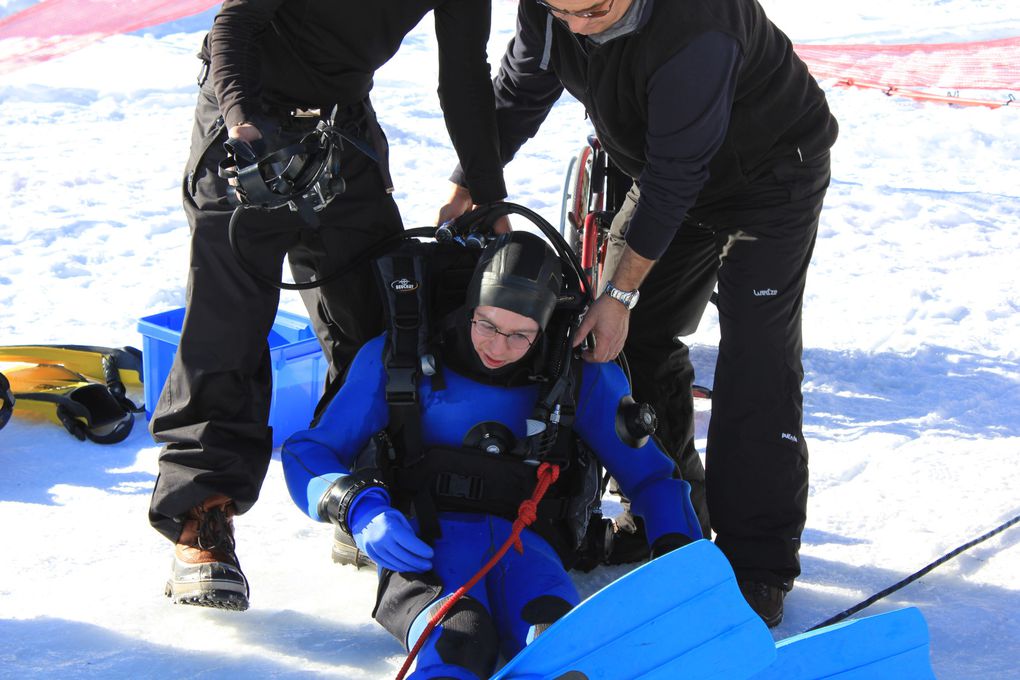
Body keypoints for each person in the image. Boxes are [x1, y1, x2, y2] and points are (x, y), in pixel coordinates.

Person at [443, 0, 839, 627]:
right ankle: (674, 505)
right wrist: (470, 186)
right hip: (655, 174)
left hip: (767, 180)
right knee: (622, 342)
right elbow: (516, 94)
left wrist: (621, 292)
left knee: (755, 361)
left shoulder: (698, 28)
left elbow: (677, 177)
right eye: (561, 10)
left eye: (593, 9)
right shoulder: (555, 11)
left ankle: (757, 563)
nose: (576, 24)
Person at [150, 0, 510, 612]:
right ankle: (202, 516)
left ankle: (358, 489)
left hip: (339, 123)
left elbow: (463, 78)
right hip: (246, 112)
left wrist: (488, 191)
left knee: (377, 320)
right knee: (228, 323)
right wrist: (240, 123)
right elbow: (233, 24)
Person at [281, 232, 702, 679]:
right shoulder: (398, 358)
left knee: (560, 653)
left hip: (531, 553)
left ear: (546, 326)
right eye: (486, 324)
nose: (497, 348)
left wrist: (682, 558)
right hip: (424, 554)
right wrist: (359, 508)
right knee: (460, 644)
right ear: (469, 305)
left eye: (520, 334)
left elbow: (654, 478)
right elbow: (309, 452)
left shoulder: (579, 377)